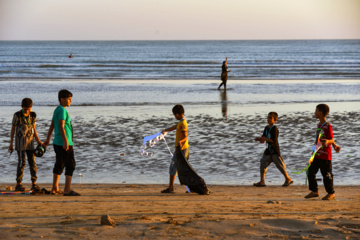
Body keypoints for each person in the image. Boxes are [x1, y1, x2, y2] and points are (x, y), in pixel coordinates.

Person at [44, 89, 80, 196]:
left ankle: (54, 188)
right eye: (69, 99)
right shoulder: (62, 111)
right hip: (64, 142)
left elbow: (52, 125)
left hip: (57, 142)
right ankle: (67, 190)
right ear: (62, 99)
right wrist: (65, 141)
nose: (70, 101)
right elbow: (61, 126)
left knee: (60, 163)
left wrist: (48, 139)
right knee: (71, 164)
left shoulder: (57, 109)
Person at [9, 98, 42, 192]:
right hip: (20, 144)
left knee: (32, 163)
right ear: (21, 107)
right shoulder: (17, 115)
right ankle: (18, 184)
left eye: (28, 108)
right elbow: (13, 129)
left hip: (30, 144)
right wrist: (11, 143)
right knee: (21, 163)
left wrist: (38, 140)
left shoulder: (33, 115)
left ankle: (34, 183)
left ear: (31, 107)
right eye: (25, 109)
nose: (27, 110)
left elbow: (34, 128)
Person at [305, 104, 336, 200]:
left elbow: (332, 139)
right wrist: (313, 151)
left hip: (326, 156)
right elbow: (317, 140)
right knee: (310, 171)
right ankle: (314, 191)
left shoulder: (327, 126)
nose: (315, 112)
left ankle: (331, 193)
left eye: (316, 111)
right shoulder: (319, 125)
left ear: (321, 113)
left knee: (326, 175)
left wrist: (328, 142)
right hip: (317, 155)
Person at [254, 112, 293, 187]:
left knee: (280, 165)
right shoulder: (266, 128)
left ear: (275, 119)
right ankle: (262, 181)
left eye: (270, 118)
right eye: (268, 118)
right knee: (263, 163)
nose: (268, 119)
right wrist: (260, 139)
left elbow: (273, 140)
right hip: (268, 150)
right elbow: (263, 137)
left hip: (274, 150)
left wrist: (265, 139)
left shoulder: (274, 129)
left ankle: (288, 178)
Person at [161, 104, 190, 193]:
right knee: (183, 169)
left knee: (173, 167)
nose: (174, 116)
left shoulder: (183, 123)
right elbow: (174, 127)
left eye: (174, 115)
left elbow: (185, 136)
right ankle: (191, 188)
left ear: (177, 114)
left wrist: (180, 142)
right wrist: (165, 130)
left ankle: (171, 188)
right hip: (182, 149)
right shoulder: (180, 123)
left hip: (182, 150)